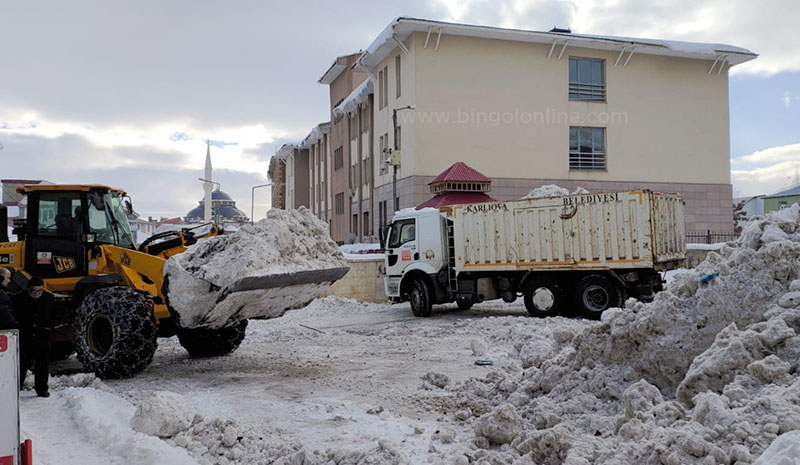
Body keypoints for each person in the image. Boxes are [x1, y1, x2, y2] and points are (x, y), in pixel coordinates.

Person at [13, 276, 54, 397]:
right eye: (33, 291)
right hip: (25, 335)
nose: (36, 294)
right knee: (21, 364)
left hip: (42, 335)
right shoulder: (17, 299)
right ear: (28, 289)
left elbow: (51, 315)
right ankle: (15, 389)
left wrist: (48, 328)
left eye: (39, 291)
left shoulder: (49, 298)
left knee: (42, 364)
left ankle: (41, 388)